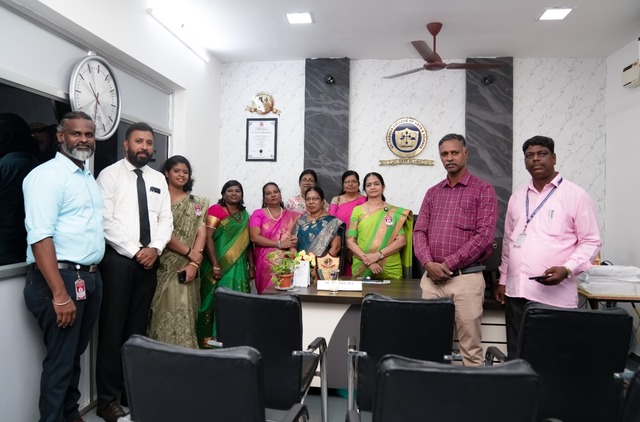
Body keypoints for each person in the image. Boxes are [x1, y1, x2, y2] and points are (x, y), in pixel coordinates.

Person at [22, 111, 104, 422]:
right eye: (76, 133)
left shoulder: (85, 176)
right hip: (59, 279)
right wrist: (59, 294)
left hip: (87, 277)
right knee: (60, 360)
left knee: (73, 356)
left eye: (89, 134)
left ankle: (70, 413)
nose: (84, 140)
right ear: (61, 137)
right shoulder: (47, 176)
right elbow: (40, 237)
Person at [495, 135, 601, 358]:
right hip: (516, 294)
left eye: (542, 154)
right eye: (529, 155)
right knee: (517, 358)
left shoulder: (575, 195)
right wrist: (503, 279)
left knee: (553, 359)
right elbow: (509, 241)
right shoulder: (517, 197)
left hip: (554, 298)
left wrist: (567, 269)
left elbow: (591, 241)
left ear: (553, 158)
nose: (535, 159)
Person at [95, 122, 173, 421]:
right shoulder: (109, 175)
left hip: (149, 261)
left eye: (149, 142)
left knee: (137, 331)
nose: (144, 147)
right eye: (138, 141)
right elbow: (105, 220)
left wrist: (154, 248)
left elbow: (165, 220)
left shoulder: (157, 178)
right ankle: (106, 400)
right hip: (118, 261)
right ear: (126, 144)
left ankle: (131, 390)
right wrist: (136, 251)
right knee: (112, 330)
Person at [413, 133, 498, 366]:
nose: (449, 158)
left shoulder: (483, 190)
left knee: (470, 350)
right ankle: (435, 389)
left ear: (465, 154)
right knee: (430, 346)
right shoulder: (433, 192)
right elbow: (419, 232)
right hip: (432, 280)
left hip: (465, 279)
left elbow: (484, 237)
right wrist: (428, 263)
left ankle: (471, 391)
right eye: (444, 154)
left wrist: (447, 265)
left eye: (454, 152)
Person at [148, 155, 208, 349]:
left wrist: (194, 263)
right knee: (162, 310)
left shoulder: (196, 202)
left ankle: (186, 355)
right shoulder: (158, 200)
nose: (182, 175)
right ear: (167, 173)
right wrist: (189, 252)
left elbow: (201, 231)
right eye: (177, 171)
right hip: (163, 265)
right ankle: (163, 354)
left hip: (188, 267)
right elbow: (160, 233)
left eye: (185, 172)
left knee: (186, 311)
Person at [196, 180, 254, 347]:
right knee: (214, 300)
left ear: (242, 195)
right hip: (216, 265)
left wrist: (251, 266)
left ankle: (235, 338)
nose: (234, 193)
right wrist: (215, 264)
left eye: (237, 191)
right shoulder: (216, 210)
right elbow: (207, 238)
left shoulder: (245, 215)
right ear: (223, 194)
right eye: (230, 190)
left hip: (239, 266)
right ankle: (208, 339)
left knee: (238, 301)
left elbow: (248, 243)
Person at [346, 172, 413, 280]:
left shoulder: (393, 212)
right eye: (368, 185)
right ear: (364, 189)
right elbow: (350, 241)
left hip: (390, 267)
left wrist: (378, 255)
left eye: (376, 184)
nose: (372, 187)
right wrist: (368, 261)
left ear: (383, 187)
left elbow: (401, 241)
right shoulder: (357, 210)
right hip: (362, 265)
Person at [0, 113, 38, 265]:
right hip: (25, 249)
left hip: (4, 250)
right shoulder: (37, 166)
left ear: (7, 137)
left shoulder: (5, 166)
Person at [250, 182, 300, 293]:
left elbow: (298, 236)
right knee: (268, 298)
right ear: (264, 199)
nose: (273, 195)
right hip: (265, 265)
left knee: (287, 297)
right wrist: (279, 244)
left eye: (275, 192)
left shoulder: (294, 216)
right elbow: (254, 237)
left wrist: (295, 241)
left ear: (280, 195)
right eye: (268, 193)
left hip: (287, 265)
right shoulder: (258, 214)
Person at [328, 170, 366, 276]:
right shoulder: (336, 200)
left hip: (359, 243)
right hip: (338, 243)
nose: (350, 184)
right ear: (343, 185)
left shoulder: (365, 200)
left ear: (358, 184)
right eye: (347, 182)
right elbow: (330, 221)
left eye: (353, 181)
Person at [293, 186, 343, 257]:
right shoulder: (300, 221)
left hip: (324, 262)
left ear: (322, 202)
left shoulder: (333, 222)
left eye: (315, 199)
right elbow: (292, 245)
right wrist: (299, 260)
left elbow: (336, 248)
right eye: (308, 199)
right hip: (301, 262)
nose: (311, 202)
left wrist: (320, 262)